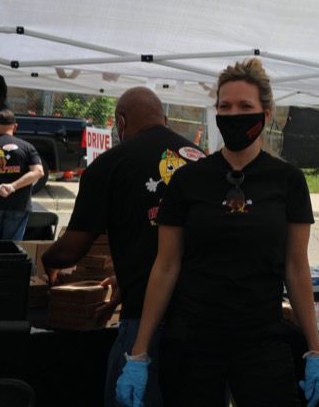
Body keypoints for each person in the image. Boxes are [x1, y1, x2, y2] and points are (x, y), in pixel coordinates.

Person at [117, 58, 319, 407]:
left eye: (245, 106)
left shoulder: (288, 181)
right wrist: (139, 353)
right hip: (192, 343)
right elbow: (166, 266)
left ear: (267, 112)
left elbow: (296, 266)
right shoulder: (188, 180)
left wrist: (315, 348)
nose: (234, 114)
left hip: (261, 342)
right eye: (225, 106)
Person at [42, 87, 203, 407]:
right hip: (203, 318)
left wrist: (48, 259)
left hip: (145, 318)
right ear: (165, 119)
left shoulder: (110, 164)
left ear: (121, 121)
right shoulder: (201, 159)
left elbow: (72, 249)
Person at [0, 109, 45, 241]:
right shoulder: (27, 147)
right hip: (18, 206)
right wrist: (12, 187)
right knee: (12, 250)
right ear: (15, 126)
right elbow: (39, 172)